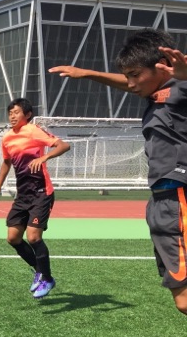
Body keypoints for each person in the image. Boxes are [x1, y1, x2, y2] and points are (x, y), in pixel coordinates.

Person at [49, 29, 187, 314]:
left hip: (179, 197)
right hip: (162, 201)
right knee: (182, 297)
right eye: (128, 76)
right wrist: (86, 73)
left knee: (184, 299)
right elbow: (130, 83)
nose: (131, 83)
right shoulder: (157, 93)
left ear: (163, 65)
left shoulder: (181, 89)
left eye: (135, 75)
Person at [0, 97, 71, 298]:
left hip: (41, 192)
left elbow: (63, 145)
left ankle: (47, 278)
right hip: (23, 195)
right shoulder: (7, 138)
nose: (12, 116)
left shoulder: (33, 130)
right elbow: (6, 163)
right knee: (13, 238)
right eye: (10, 113)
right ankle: (40, 272)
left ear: (27, 115)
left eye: (16, 112)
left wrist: (45, 157)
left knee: (34, 237)